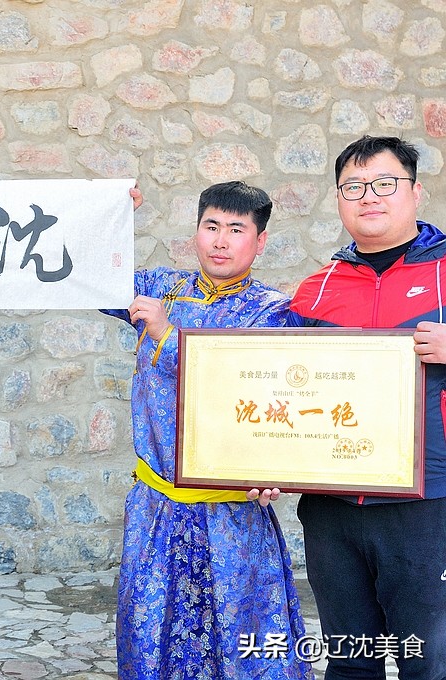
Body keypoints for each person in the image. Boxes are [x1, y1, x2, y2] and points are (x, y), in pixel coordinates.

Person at [103, 181, 312, 679]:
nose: (220, 240)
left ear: (260, 241)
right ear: (196, 232)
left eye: (237, 230)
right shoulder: (161, 290)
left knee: (241, 639)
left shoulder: (274, 312)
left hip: (232, 513)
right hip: (157, 507)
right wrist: (110, 219)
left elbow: (245, 384)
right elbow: (92, 279)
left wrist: (167, 337)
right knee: (150, 635)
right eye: (211, 226)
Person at [289, 135, 446, 679]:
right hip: (332, 507)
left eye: (384, 183)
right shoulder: (315, 288)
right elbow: (278, 392)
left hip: (427, 504)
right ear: (338, 197)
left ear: (415, 192)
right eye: (352, 186)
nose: (368, 197)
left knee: (429, 661)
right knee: (349, 662)